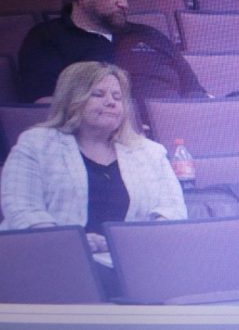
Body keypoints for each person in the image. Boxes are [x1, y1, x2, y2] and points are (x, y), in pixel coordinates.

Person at [0, 61, 187, 252]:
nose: (111, 102)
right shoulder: (37, 143)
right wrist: (70, 242)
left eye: (117, 97)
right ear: (71, 100)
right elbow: (21, 208)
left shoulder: (150, 152)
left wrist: (141, 243)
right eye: (98, 94)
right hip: (51, 255)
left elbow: (172, 210)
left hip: (131, 257)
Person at [17, 0, 206, 109]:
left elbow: (196, 93)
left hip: (176, 132)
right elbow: (46, 106)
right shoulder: (47, 39)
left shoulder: (150, 35)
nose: (124, 3)